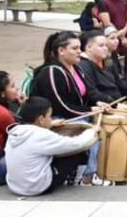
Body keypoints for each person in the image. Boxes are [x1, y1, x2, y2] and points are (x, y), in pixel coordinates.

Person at [32, 31, 105, 183]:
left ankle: (88, 172)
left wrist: (96, 104)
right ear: (61, 50)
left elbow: (85, 96)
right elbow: (61, 106)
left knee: (97, 126)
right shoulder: (52, 72)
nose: (79, 51)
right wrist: (89, 110)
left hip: (73, 114)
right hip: (53, 119)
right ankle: (86, 177)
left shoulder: (76, 69)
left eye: (80, 47)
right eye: (74, 48)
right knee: (90, 131)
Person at [5, 97, 99, 196]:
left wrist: (51, 124)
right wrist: (92, 131)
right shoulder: (40, 135)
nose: (51, 119)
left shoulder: (15, 132)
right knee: (80, 152)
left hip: (14, 186)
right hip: (36, 187)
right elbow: (75, 144)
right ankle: (78, 181)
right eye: (49, 116)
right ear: (41, 119)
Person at [77, 30, 127, 105]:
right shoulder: (83, 66)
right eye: (101, 46)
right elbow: (92, 93)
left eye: (106, 45)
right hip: (105, 106)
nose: (105, 48)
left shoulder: (107, 60)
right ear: (88, 47)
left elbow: (118, 81)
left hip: (118, 101)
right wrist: (115, 105)